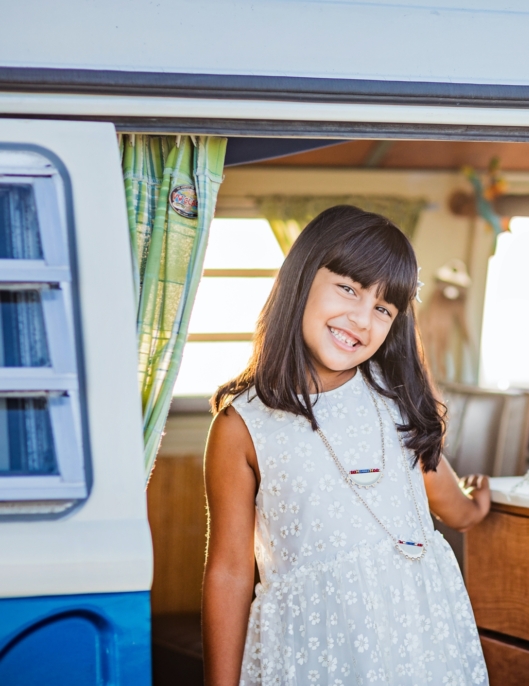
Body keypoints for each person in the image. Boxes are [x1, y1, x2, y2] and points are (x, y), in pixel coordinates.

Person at [202, 206, 491, 686]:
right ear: (301, 279)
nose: (361, 318)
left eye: (383, 308)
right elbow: (229, 573)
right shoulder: (241, 425)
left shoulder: (397, 397)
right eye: (349, 288)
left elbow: (443, 499)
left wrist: (475, 506)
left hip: (420, 646)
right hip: (313, 651)